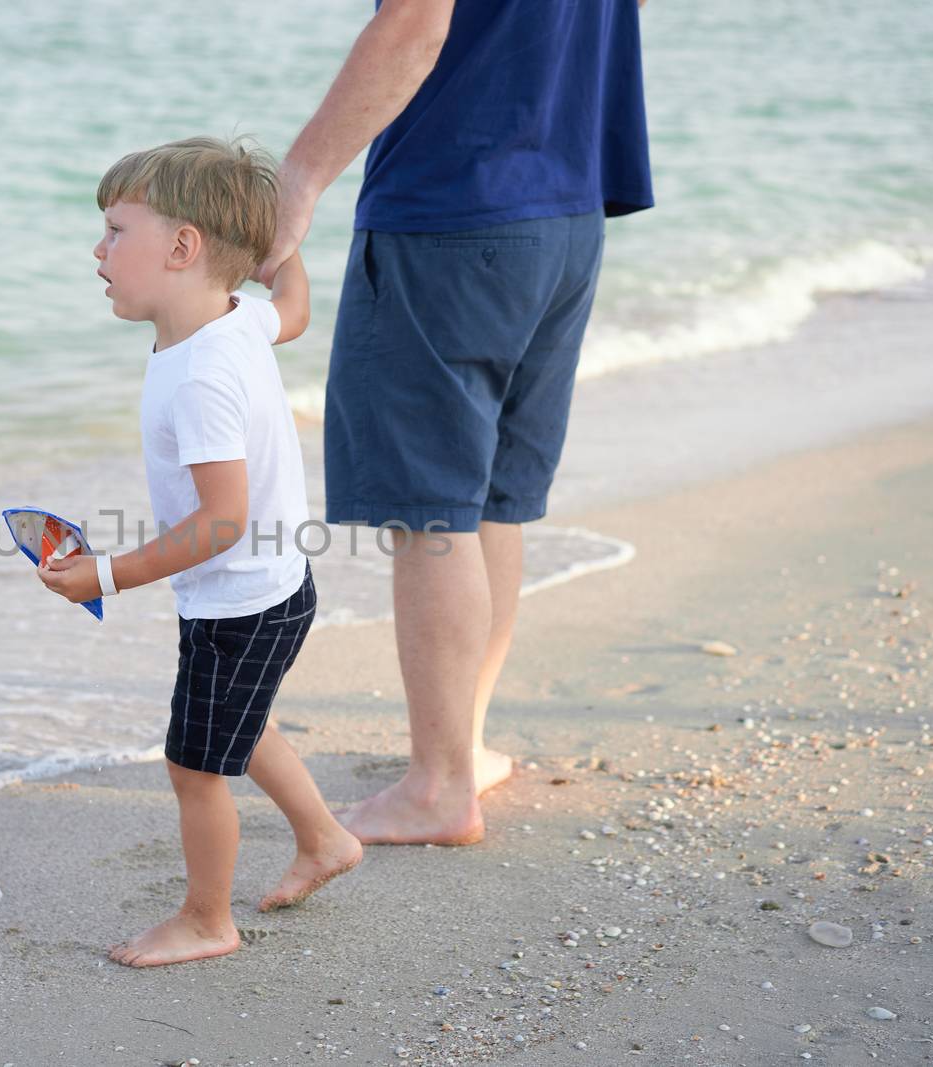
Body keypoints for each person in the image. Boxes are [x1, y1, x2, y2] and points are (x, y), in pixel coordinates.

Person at [255, 0, 654, 846]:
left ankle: (439, 786)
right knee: (490, 497)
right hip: (569, 205)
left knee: (432, 506)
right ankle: (461, 749)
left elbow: (414, 23)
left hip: (454, 205)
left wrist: (299, 181)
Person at [39, 137, 362, 967]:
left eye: (116, 231)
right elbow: (291, 309)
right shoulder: (237, 319)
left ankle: (206, 918)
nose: (98, 250)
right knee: (242, 726)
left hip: (239, 598)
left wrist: (104, 574)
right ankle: (325, 839)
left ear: (183, 248)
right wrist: (285, 252)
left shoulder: (202, 376)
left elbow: (221, 521)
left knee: (193, 763)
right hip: (272, 586)